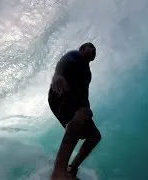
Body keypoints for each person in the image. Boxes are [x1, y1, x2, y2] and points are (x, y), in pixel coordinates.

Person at [48, 42, 102, 180]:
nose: (94, 50)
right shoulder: (75, 55)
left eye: (95, 49)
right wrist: (57, 75)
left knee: (95, 135)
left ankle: (72, 169)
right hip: (58, 94)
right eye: (91, 47)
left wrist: (88, 110)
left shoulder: (88, 74)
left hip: (74, 102)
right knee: (79, 116)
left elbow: (84, 95)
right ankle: (58, 172)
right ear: (82, 49)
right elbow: (63, 62)